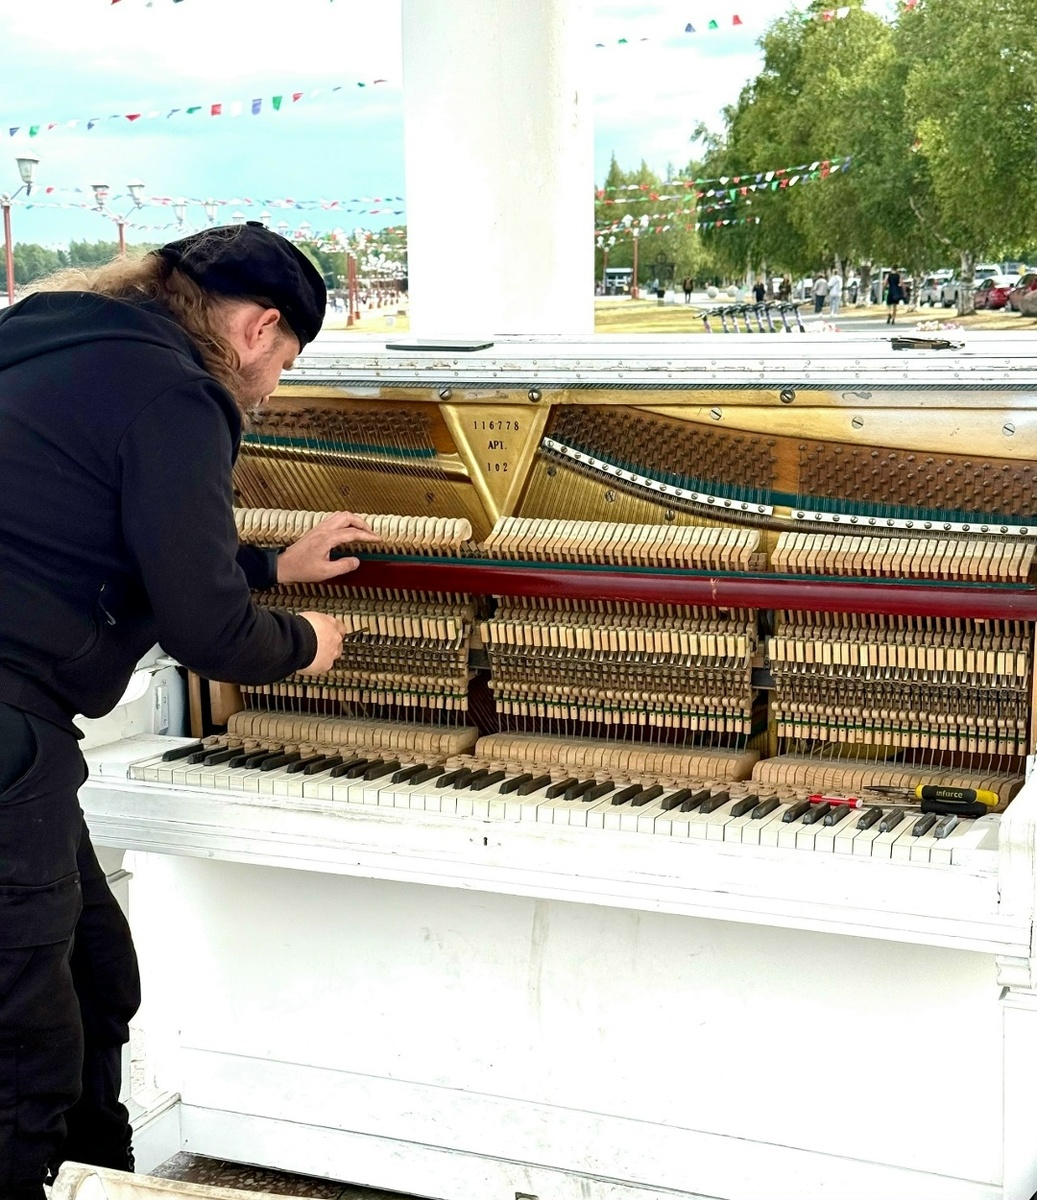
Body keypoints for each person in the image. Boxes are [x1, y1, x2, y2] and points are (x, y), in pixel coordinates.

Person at [0, 222, 382, 1199]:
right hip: (8, 727)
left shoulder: (44, 335)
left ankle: (94, 1178)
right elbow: (211, 635)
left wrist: (264, 565)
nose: (275, 388)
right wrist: (305, 641)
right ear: (257, 328)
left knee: (92, 969)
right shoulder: (179, 393)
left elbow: (91, 530)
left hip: (20, 731)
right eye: (286, 363)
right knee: (23, 1046)